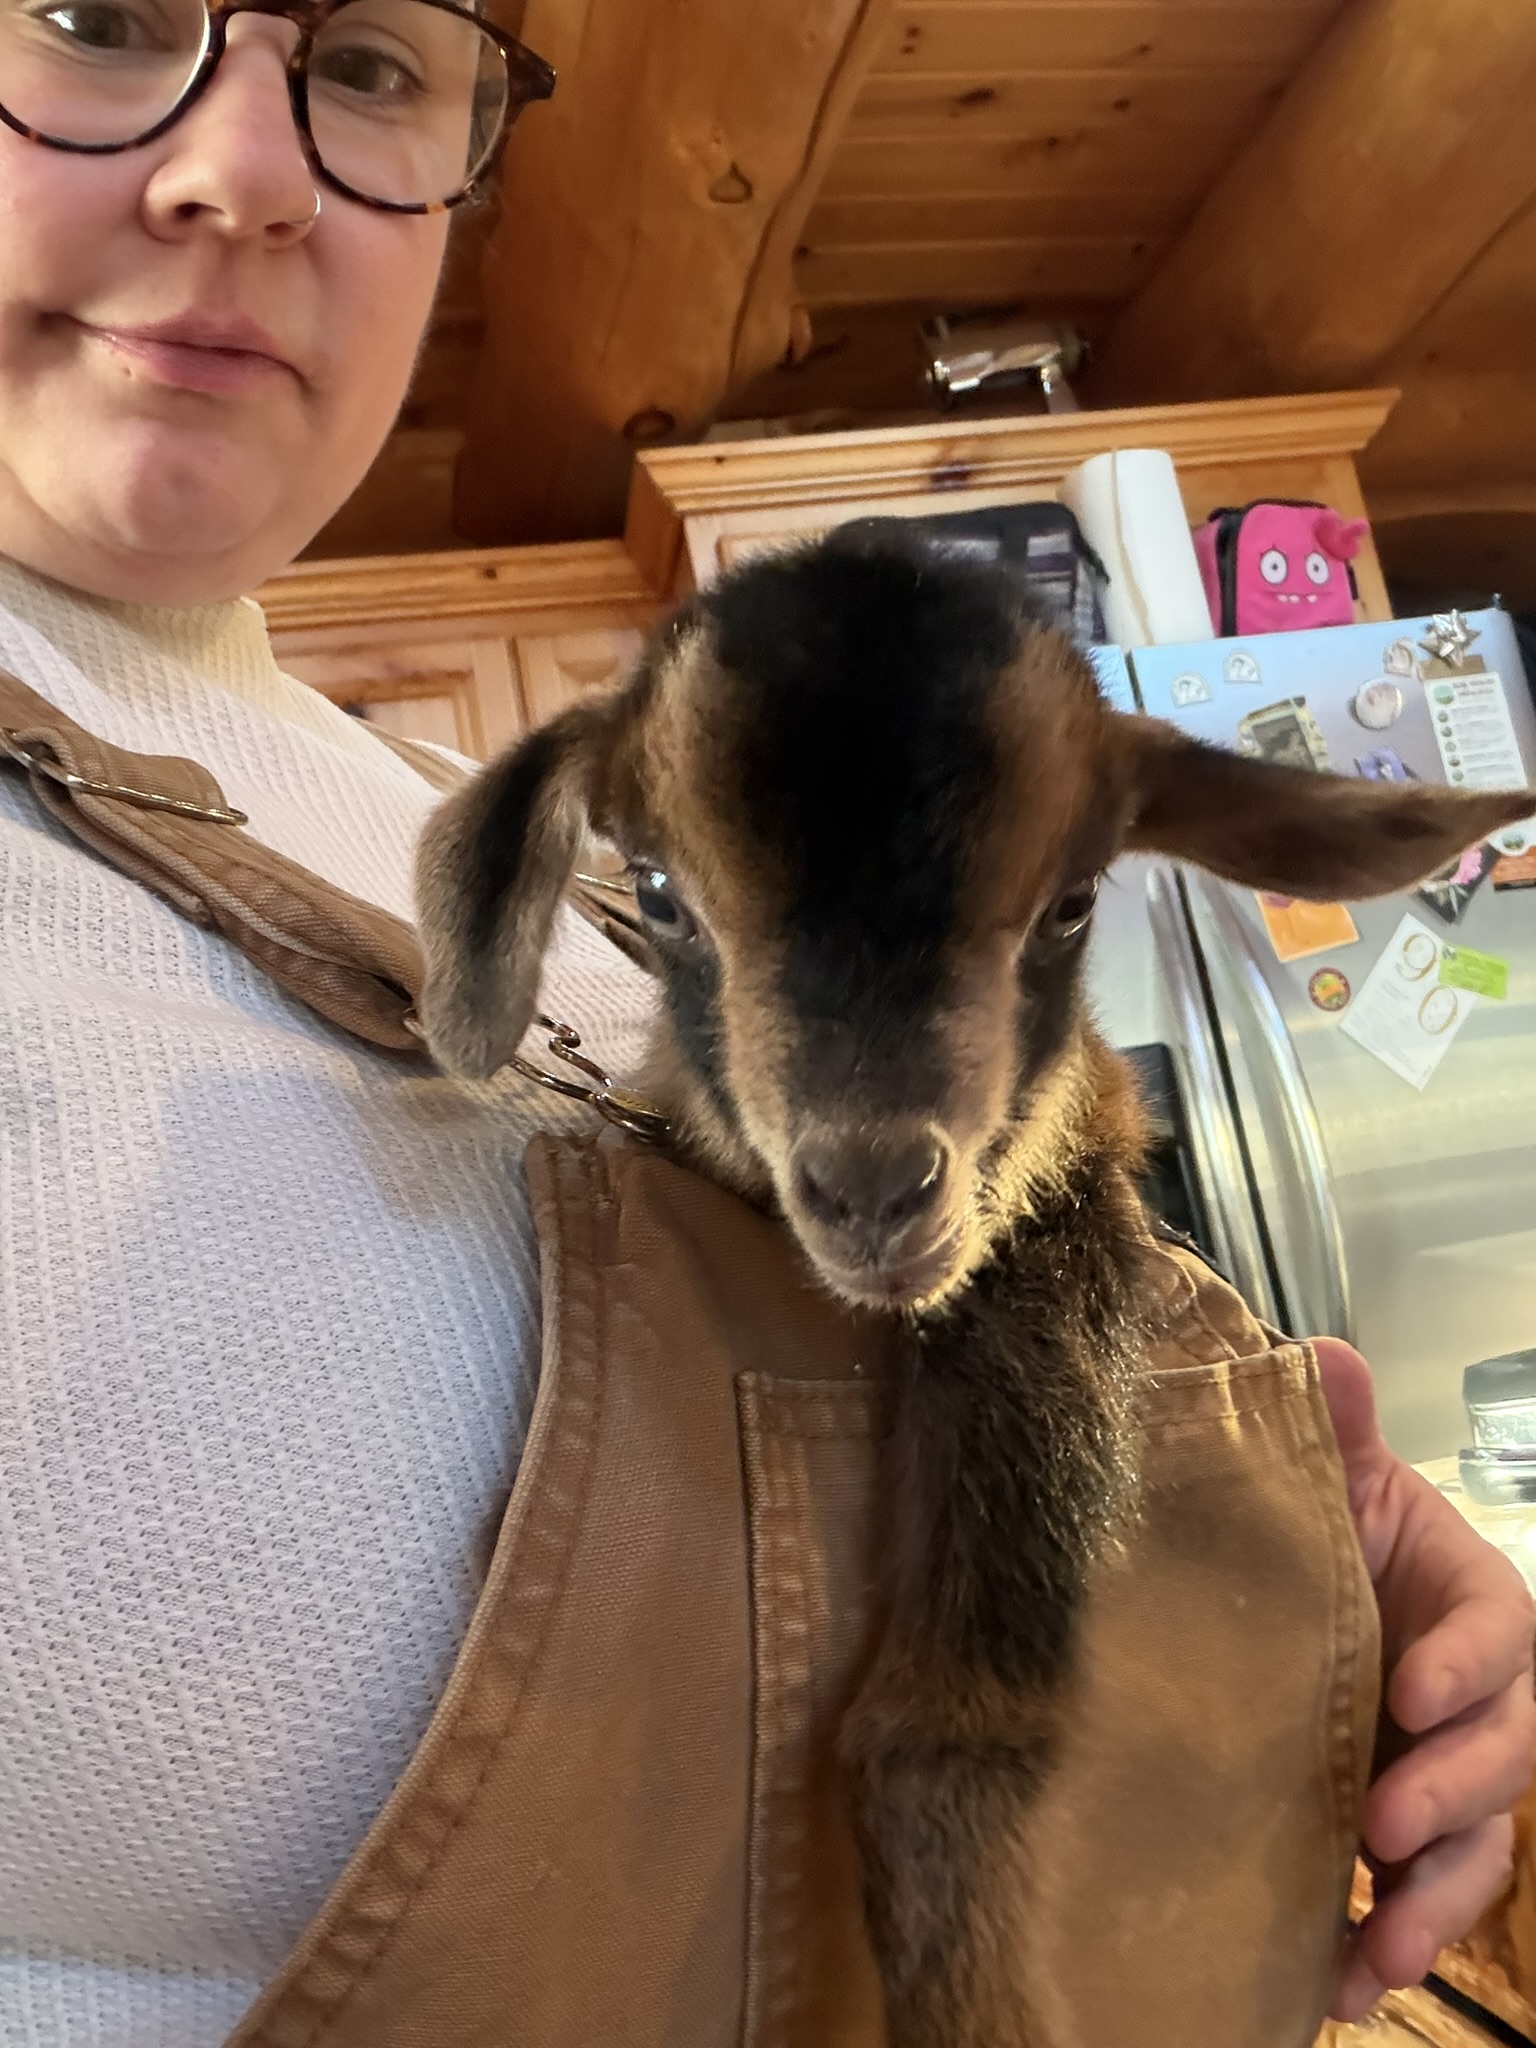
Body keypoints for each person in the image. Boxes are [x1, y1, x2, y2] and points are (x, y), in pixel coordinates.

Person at [0, 3, 1528, 2039]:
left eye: (366, 62)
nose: (250, 169)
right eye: (100, 18)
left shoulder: (453, 817)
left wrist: (1290, 1576)